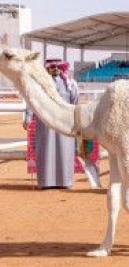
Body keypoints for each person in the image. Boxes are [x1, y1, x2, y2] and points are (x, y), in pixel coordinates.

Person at [24, 59, 79, 189]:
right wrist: (28, 117)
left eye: (58, 66)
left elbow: (75, 103)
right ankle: (45, 182)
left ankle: (65, 181)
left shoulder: (70, 84)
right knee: (45, 149)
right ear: (47, 68)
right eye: (52, 66)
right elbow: (31, 101)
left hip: (64, 122)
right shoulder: (38, 84)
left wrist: (75, 119)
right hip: (45, 122)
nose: (55, 69)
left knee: (65, 150)